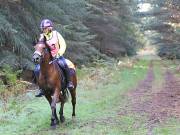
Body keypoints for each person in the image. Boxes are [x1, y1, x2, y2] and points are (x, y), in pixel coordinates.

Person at [34, 19, 74, 97]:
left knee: (64, 65)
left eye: (45, 28)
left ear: (50, 28)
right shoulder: (42, 37)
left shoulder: (56, 34)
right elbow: (39, 47)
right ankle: (41, 88)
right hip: (47, 59)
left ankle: (69, 83)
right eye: (42, 28)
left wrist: (59, 54)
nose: (43, 30)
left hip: (57, 56)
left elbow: (63, 45)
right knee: (37, 69)